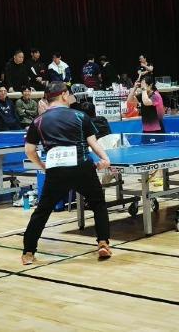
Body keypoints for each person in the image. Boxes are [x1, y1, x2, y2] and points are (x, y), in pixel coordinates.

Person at [21, 82, 112, 265]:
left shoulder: (38, 121)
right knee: (98, 203)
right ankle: (103, 242)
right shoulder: (80, 115)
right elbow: (93, 143)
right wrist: (105, 159)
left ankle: (28, 252)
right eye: (68, 94)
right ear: (63, 95)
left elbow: (29, 151)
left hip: (56, 169)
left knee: (42, 210)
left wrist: (43, 166)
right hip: (81, 166)